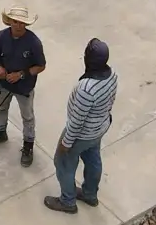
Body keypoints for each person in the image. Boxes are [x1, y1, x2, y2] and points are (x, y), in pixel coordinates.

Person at [43, 38, 118, 214]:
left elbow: (77, 121)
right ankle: (90, 194)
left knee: (63, 163)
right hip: (99, 128)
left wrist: (67, 143)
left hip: (82, 135)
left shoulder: (87, 88)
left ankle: (67, 201)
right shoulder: (112, 75)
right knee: (93, 160)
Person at [0, 6, 46, 166]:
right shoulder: (1, 36)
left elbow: (41, 65)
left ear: (26, 24)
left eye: (21, 23)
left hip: (24, 88)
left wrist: (21, 74)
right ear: (9, 21)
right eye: (15, 22)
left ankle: (28, 145)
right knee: (1, 109)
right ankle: (0, 132)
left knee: (27, 117)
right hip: (3, 83)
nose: (18, 25)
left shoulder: (34, 42)